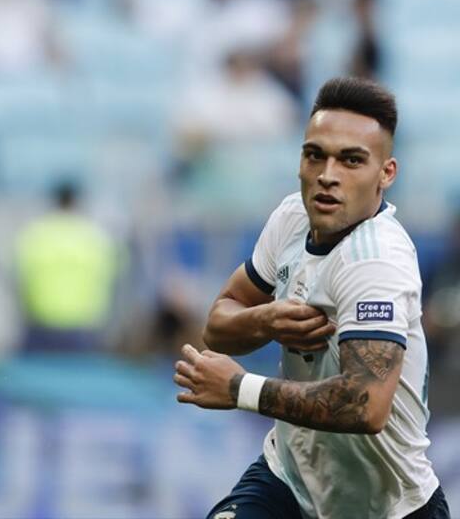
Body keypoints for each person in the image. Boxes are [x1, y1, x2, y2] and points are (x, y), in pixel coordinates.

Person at [174, 77, 450, 518]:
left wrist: (240, 387)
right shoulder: (291, 217)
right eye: (314, 155)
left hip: (387, 507)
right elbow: (219, 325)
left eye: (351, 160)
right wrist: (264, 321)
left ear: (386, 173)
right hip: (288, 477)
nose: (327, 175)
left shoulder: (376, 260)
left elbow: (365, 405)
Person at [14, 181, 118, 352]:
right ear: (76, 201)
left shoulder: (34, 234)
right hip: (84, 328)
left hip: (41, 325)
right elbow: (113, 280)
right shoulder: (95, 237)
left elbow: (18, 278)